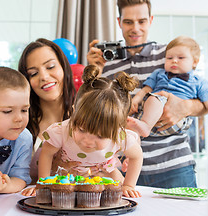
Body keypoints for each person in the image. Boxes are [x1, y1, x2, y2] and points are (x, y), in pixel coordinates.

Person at [87, 0, 206, 188]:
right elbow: (94, 113)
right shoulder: (108, 63)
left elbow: (204, 101)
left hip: (174, 164)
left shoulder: (170, 55)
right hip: (126, 169)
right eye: (128, 22)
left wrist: (184, 107)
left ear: (151, 20)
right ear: (119, 22)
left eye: (142, 21)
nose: (135, 28)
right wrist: (95, 71)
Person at [38, 65, 143, 198]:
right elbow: (46, 153)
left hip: (104, 174)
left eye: (100, 136)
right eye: (81, 130)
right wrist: (43, 183)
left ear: (116, 129)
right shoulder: (62, 131)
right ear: (74, 111)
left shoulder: (120, 136)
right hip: (68, 175)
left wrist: (129, 185)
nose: (88, 140)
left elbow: (137, 156)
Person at [128, 36, 208, 143]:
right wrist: (135, 100)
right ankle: (136, 139)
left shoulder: (199, 82)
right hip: (149, 116)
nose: (174, 61)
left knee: (154, 98)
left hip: (177, 121)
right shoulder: (159, 73)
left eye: (181, 58)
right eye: (169, 58)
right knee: (129, 126)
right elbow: (145, 90)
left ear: (195, 62)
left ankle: (145, 127)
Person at [18, 38, 76, 195]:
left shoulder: (87, 116)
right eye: (33, 73)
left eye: (50, 66)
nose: (43, 76)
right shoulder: (20, 124)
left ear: (64, 67)